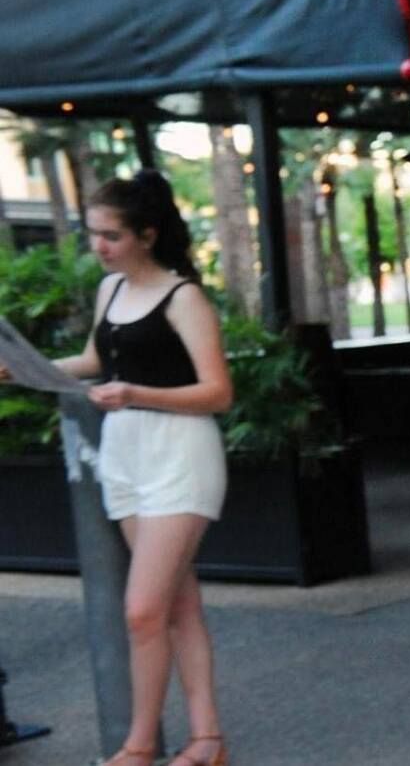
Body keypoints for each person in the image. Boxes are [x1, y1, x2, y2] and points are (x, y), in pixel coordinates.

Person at [0, 171, 235, 766]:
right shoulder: (111, 291)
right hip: (126, 454)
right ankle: (207, 740)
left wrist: (134, 393)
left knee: (143, 611)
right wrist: (26, 368)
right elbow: (94, 361)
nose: (98, 246)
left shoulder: (184, 297)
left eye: (110, 235)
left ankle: (136, 748)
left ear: (147, 235)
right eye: (93, 233)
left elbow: (217, 393)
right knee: (177, 607)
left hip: (179, 454)